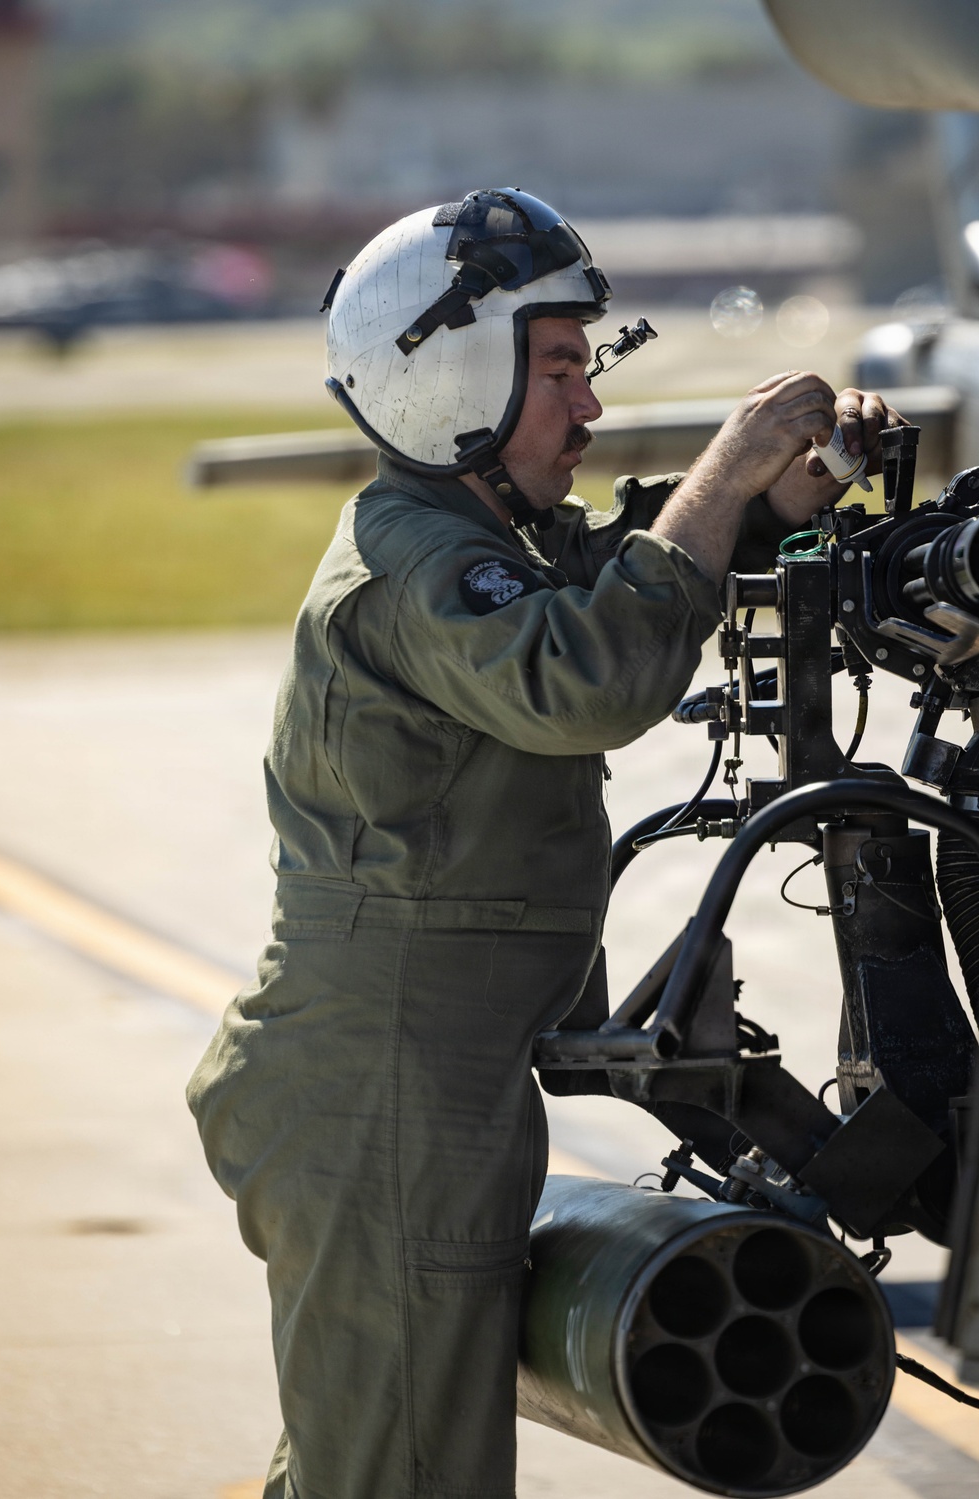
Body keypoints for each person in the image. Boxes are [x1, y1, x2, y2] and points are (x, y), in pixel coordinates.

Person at [187, 189, 899, 1499]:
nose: (588, 407)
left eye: (585, 364)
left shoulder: (485, 541)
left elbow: (621, 578)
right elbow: (589, 675)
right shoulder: (420, 566)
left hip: (421, 1083)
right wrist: (731, 458)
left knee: (378, 1458)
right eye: (559, 366)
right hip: (380, 1095)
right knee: (402, 1477)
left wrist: (779, 501)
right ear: (450, 371)